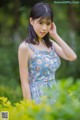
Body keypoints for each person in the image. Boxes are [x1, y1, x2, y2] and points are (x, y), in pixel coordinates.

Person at [18, 2, 77, 104]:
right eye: (41, 23)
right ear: (31, 21)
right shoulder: (25, 48)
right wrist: (29, 108)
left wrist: (55, 35)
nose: (44, 28)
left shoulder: (51, 44)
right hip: (38, 98)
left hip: (54, 94)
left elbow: (72, 56)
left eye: (48, 23)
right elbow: (24, 82)